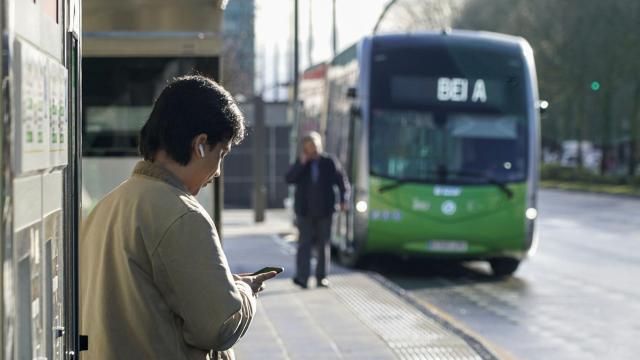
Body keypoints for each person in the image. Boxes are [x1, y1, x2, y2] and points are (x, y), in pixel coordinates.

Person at [80, 75, 277, 360]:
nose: (218, 170)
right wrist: (245, 292)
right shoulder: (182, 214)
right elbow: (221, 326)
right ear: (200, 144)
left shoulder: (107, 206)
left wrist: (222, 285)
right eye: (221, 153)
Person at [285, 132, 350, 288]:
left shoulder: (328, 161)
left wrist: (343, 200)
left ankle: (322, 277)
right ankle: (302, 277)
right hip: (304, 211)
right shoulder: (301, 162)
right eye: (309, 146)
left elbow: (342, 182)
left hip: (325, 211)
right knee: (304, 245)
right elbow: (289, 179)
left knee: (323, 245)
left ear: (319, 145)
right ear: (304, 148)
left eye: (314, 145)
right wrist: (302, 163)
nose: (312, 149)